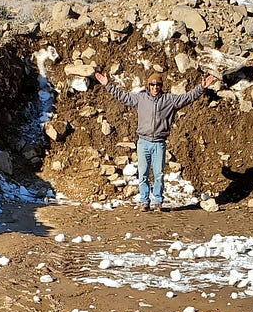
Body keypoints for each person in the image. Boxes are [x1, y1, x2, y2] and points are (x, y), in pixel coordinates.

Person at [93, 69, 218, 211]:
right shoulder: (140, 99)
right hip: (143, 142)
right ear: (148, 86)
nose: (155, 88)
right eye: (152, 86)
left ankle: (158, 201)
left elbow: (188, 97)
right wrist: (108, 84)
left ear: (161, 86)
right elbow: (123, 96)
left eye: (157, 85)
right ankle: (145, 202)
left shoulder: (169, 100)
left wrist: (201, 87)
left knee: (158, 174)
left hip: (159, 143)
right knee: (143, 173)